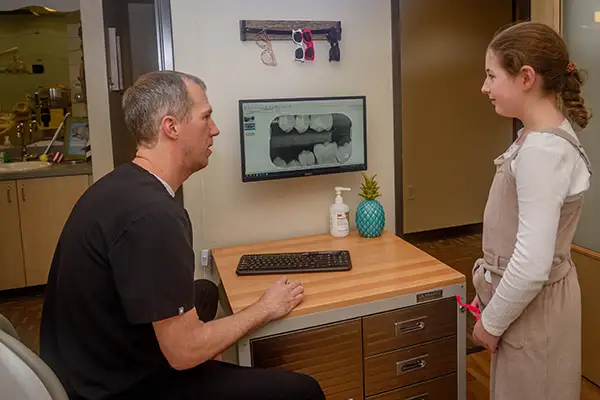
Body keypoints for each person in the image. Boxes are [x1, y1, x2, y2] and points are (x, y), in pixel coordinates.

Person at [40, 71, 325, 400]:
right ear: (171, 127)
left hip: (86, 361)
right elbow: (184, 353)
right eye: (206, 117)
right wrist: (264, 308)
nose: (214, 130)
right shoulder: (154, 216)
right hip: (118, 388)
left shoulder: (122, 185)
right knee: (303, 391)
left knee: (203, 290)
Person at [471, 21, 592, 399]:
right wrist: (488, 292)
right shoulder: (534, 139)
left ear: (526, 77)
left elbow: (530, 263)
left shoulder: (542, 151)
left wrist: (490, 324)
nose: (485, 87)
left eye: (492, 75)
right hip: (533, 304)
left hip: (536, 310)